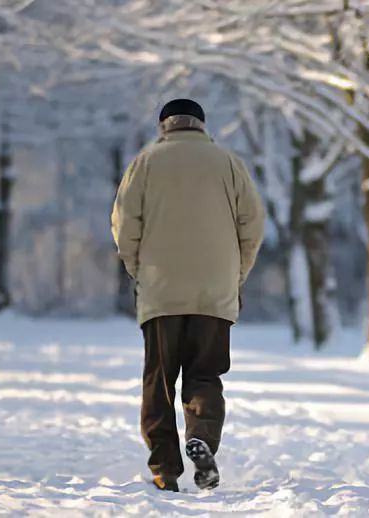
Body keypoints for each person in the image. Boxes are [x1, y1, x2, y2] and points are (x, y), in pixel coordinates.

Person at [111, 98, 265, 492]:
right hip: (214, 291)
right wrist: (235, 275)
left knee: (158, 381)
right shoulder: (228, 163)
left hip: (161, 290)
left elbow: (124, 225)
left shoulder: (145, 163)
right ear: (201, 124)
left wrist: (138, 271)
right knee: (205, 374)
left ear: (165, 125)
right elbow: (252, 225)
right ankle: (202, 437)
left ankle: (165, 468)